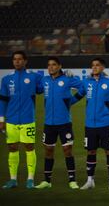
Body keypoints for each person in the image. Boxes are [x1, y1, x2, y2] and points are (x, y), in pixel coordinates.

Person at [35, 57, 82, 189]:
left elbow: (83, 87)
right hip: (49, 123)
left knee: (67, 150)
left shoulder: (67, 79)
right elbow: (37, 90)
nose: (51, 67)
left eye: (54, 65)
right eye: (49, 65)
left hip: (64, 123)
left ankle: (72, 180)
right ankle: (47, 181)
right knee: (48, 151)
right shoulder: (45, 80)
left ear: (59, 66)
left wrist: (72, 101)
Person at [73, 58, 109, 190]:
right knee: (91, 151)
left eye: (97, 65)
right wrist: (64, 104)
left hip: (105, 123)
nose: (94, 67)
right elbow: (78, 96)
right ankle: (90, 181)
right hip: (90, 125)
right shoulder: (86, 82)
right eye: (92, 65)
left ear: (103, 67)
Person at [0, 51, 42, 189]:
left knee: (29, 147)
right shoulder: (6, 79)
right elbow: (3, 101)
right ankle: (13, 180)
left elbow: (43, 88)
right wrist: (1, 119)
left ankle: (30, 179)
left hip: (27, 118)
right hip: (11, 119)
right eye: (14, 59)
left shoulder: (34, 77)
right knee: (12, 148)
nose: (17, 61)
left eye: (19, 59)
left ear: (25, 61)